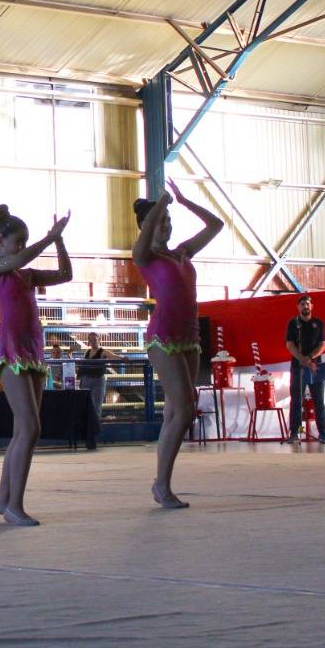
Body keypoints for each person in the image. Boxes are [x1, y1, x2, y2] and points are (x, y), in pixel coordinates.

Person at [133, 182, 223, 510]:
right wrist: (160, 205)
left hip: (189, 337)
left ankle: (163, 484)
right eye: (160, 222)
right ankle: (161, 484)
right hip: (164, 337)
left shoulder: (183, 252)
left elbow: (216, 225)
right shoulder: (145, 256)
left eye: (169, 221)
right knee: (185, 411)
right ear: (147, 226)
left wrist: (183, 202)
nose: (166, 226)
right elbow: (143, 243)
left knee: (175, 412)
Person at [0, 205, 72, 526]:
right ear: (0, 241)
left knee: (23, 430)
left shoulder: (27, 275)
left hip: (33, 350)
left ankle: (3, 498)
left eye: (25, 241)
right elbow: (20, 259)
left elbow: (65, 274)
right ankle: (14, 506)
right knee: (30, 427)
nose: (21, 246)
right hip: (11, 352)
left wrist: (59, 241)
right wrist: (49, 237)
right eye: (18, 240)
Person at [284, 295, 325, 444]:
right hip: (298, 367)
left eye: (307, 304)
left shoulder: (319, 323)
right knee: (296, 401)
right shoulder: (293, 323)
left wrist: (309, 358)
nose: (305, 306)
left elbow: (322, 345)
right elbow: (289, 344)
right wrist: (301, 358)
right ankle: (295, 433)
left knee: (319, 401)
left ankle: (322, 433)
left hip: (316, 367)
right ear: (298, 307)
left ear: (312, 306)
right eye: (302, 304)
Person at [78, 331, 112, 443]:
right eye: (90, 339)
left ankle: (94, 435)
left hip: (98, 381)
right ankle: (88, 433)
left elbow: (113, 356)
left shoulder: (103, 352)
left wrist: (123, 357)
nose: (92, 341)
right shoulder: (87, 352)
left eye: (94, 339)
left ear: (99, 339)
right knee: (87, 407)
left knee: (96, 407)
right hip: (86, 381)